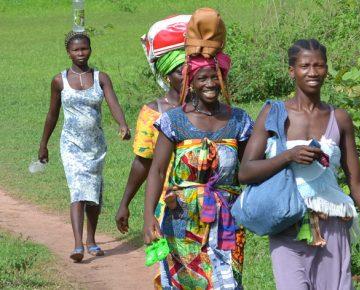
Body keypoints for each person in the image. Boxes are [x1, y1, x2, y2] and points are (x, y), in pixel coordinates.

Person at [238, 39, 360, 289]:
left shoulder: (340, 118)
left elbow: (356, 180)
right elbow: (246, 172)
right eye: (305, 66)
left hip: (332, 225)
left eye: (319, 65)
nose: (313, 72)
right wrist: (287, 156)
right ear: (292, 71)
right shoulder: (274, 113)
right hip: (287, 225)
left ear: (326, 69)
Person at [143, 52, 253, 289]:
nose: (210, 83)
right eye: (203, 78)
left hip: (228, 218)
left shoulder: (239, 120)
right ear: (190, 82)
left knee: (228, 282)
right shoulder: (174, 120)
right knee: (188, 282)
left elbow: (250, 168)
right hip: (182, 216)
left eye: (216, 77)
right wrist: (148, 216)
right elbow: (157, 171)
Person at [38, 31, 130, 262]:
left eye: (84, 48)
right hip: (71, 145)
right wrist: (43, 145)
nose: (80, 53)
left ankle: (92, 240)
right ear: (68, 52)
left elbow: (113, 103)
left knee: (94, 195)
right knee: (78, 191)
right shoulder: (59, 81)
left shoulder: (101, 78)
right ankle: (78, 244)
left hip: (95, 145)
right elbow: (52, 115)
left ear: (90, 49)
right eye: (76, 50)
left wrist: (122, 124)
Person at [115, 50, 185, 233]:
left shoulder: (203, 109)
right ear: (167, 76)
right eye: (180, 72)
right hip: (167, 201)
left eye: (190, 71)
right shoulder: (152, 113)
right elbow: (142, 161)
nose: (187, 77)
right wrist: (125, 203)